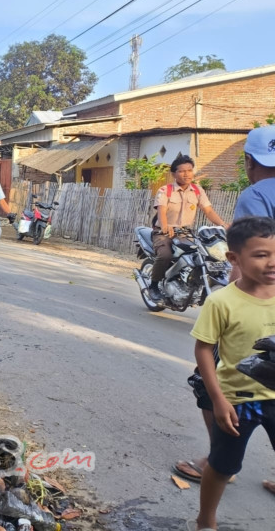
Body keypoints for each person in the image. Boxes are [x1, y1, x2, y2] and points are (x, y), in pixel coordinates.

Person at [174, 125, 275, 493]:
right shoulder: (169, 190)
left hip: (260, 300)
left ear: (249, 161)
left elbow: (248, 256)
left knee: (209, 380)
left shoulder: (255, 193)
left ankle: (221, 462)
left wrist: (230, 300)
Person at [186, 217, 275, 531]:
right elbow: (203, 351)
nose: (271, 262)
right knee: (222, 466)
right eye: (261, 254)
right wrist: (218, 400)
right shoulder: (222, 302)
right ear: (234, 258)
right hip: (237, 401)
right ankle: (206, 519)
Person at [149, 155, 227, 301]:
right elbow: (162, 211)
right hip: (163, 233)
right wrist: (166, 227)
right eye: (182, 171)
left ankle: (189, 283)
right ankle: (154, 286)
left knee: (203, 255)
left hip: (185, 233)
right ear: (173, 174)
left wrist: (223, 224)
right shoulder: (165, 190)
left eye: (190, 170)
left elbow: (208, 211)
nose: (187, 174)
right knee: (165, 255)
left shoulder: (197, 191)